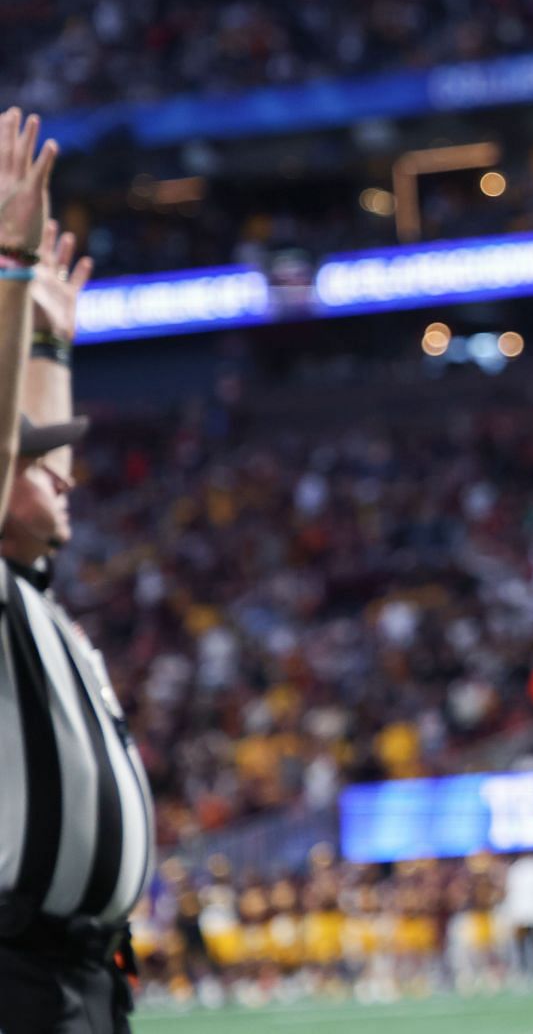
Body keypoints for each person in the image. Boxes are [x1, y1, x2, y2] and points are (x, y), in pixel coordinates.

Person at [0, 111, 157, 1034]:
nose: (65, 475)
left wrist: (52, 343)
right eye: (33, 465)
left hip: (82, 978)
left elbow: (40, 482)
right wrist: (12, 274)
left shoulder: (31, 597)